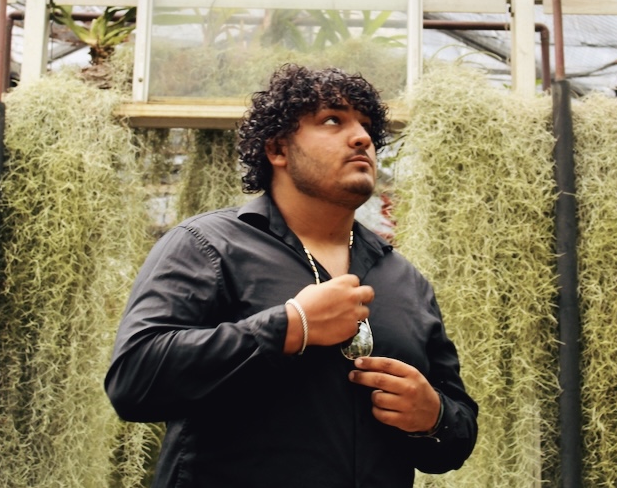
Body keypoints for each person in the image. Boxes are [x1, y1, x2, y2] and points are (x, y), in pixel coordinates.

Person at [105, 64, 478, 487]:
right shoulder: (207, 245)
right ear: (278, 150)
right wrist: (289, 326)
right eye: (333, 120)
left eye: (368, 126)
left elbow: (458, 433)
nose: (363, 138)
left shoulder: (404, 280)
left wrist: (433, 417)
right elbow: (134, 379)